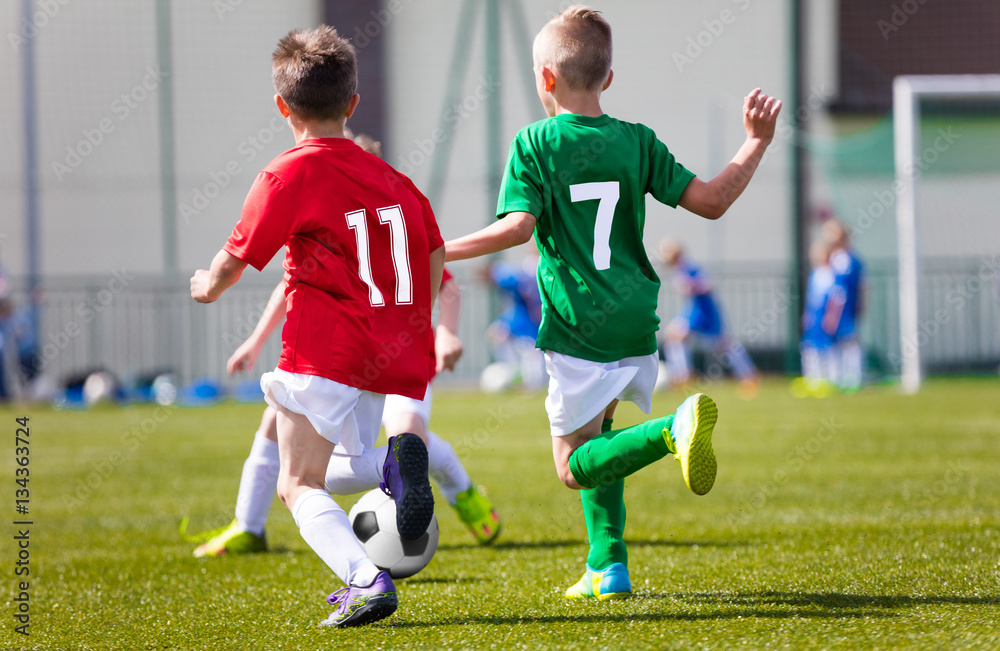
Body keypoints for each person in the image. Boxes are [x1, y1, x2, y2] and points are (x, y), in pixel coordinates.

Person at [443, 5, 780, 599]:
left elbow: (519, 229)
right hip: (634, 319)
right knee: (598, 435)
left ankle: (671, 431)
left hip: (578, 324)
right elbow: (711, 200)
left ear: (545, 78)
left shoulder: (534, 143)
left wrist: (440, 249)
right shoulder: (636, 141)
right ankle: (608, 565)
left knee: (573, 466)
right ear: (608, 79)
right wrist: (754, 143)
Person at [190, 26, 445, 628]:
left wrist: (207, 284)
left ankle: (364, 579)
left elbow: (238, 254)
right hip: (390, 352)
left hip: (325, 346)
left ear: (282, 105)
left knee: (298, 484)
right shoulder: (397, 181)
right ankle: (393, 464)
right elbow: (434, 254)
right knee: (326, 466)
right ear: (352, 104)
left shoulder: (289, 171)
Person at [184, 265, 501, 558]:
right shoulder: (323, 223)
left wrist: (447, 330)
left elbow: (444, 278)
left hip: (400, 359)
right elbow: (291, 282)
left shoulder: (397, 209)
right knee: (275, 420)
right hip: (344, 362)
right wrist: (255, 340)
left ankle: (463, 493)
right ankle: (248, 526)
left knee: (409, 437)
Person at [657, 238, 760, 396]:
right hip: (694, 309)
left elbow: (708, 284)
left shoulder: (688, 266)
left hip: (703, 310)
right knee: (675, 337)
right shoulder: (679, 268)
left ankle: (749, 376)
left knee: (723, 344)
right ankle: (683, 376)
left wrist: (693, 287)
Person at [482, 249, 546, 391]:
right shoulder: (527, 265)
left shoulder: (542, 267)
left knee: (531, 351)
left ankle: (532, 384)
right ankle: (513, 373)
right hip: (521, 316)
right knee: (498, 334)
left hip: (533, 319)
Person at [793, 240, 841, 397]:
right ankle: (812, 380)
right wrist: (806, 315)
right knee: (810, 349)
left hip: (825, 317)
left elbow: (837, 297)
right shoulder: (815, 274)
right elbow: (811, 297)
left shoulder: (832, 274)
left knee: (828, 349)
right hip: (814, 317)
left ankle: (831, 380)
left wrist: (832, 316)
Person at [822, 219, 865, 391]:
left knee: (850, 343)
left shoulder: (847, 260)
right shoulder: (838, 258)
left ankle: (853, 379)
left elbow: (844, 290)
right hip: (841, 308)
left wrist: (834, 313)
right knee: (838, 343)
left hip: (845, 310)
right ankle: (840, 378)